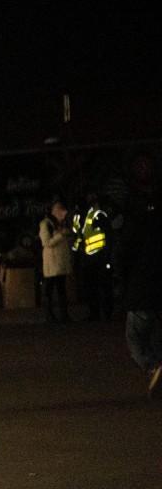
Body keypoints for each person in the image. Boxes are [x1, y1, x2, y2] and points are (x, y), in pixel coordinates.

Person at [115, 152, 162, 398]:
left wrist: (122, 286)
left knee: (134, 336)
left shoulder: (135, 228)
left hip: (141, 289)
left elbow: (123, 256)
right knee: (153, 332)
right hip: (154, 289)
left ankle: (152, 365)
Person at [72, 189, 114, 321]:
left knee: (104, 285)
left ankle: (106, 313)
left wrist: (107, 257)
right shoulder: (82, 216)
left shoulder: (97, 214)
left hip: (100, 257)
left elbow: (109, 236)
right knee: (92, 286)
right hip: (89, 258)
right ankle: (95, 313)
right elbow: (79, 236)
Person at [38, 200, 74, 323]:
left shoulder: (61, 224)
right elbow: (46, 243)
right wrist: (62, 235)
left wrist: (67, 235)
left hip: (61, 263)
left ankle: (64, 315)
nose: (63, 214)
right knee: (50, 290)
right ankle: (50, 315)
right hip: (53, 264)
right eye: (60, 211)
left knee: (61, 290)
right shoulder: (45, 224)